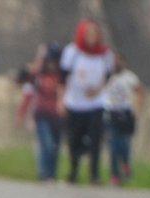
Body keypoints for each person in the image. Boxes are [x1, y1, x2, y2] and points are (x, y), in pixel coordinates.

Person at [60, 21, 114, 185]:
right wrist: (61, 98)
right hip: (75, 102)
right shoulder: (72, 52)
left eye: (95, 34)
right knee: (74, 139)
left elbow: (108, 76)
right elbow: (64, 76)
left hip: (96, 103)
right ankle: (74, 171)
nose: (92, 38)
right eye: (89, 34)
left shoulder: (105, 54)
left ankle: (94, 174)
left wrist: (98, 90)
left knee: (95, 139)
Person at [18, 51, 64, 182]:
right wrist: (24, 115)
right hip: (41, 114)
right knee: (47, 145)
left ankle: (52, 174)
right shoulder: (37, 77)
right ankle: (43, 173)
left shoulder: (60, 77)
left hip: (56, 116)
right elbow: (24, 87)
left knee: (55, 146)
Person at [102, 59, 144, 185]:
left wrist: (137, 109)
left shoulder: (130, 77)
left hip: (126, 113)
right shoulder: (107, 77)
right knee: (113, 145)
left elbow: (140, 92)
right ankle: (115, 175)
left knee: (124, 143)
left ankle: (126, 164)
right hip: (111, 112)